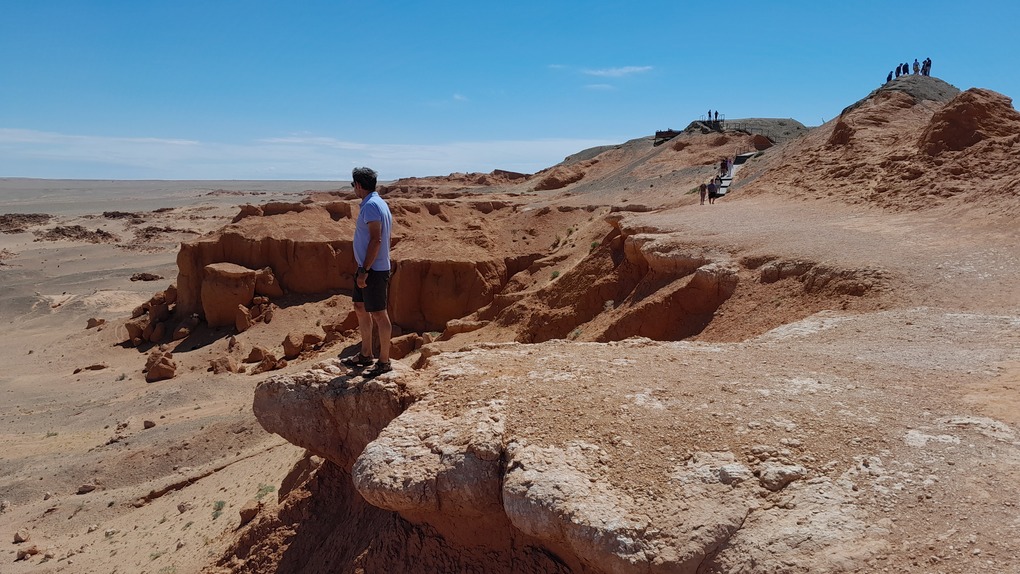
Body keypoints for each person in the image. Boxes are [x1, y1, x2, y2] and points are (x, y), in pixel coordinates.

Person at [341, 166, 394, 375]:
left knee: (380, 314)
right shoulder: (377, 203)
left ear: (359, 185)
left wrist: (364, 270)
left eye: (354, 184)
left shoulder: (371, 206)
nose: (354, 188)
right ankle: (365, 354)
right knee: (360, 307)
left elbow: (376, 239)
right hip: (368, 267)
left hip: (373, 269)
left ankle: (384, 361)